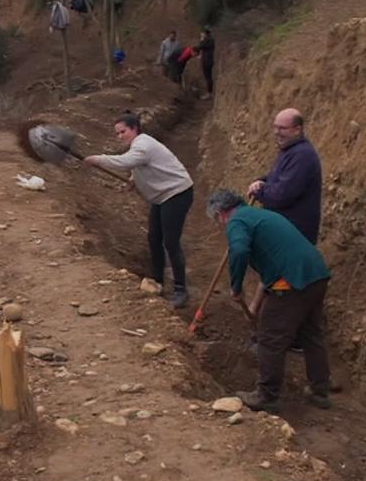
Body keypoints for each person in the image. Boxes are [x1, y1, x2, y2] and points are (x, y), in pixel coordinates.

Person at [206, 189, 332, 414]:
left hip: (292, 282)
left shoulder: (238, 221)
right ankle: (319, 389)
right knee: (311, 334)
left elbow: (239, 250)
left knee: (270, 337)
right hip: (316, 274)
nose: (221, 226)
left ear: (222, 214)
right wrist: (253, 304)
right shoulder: (261, 215)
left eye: (218, 221)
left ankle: (267, 396)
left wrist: (236, 286)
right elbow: (271, 264)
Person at [85, 113, 194, 308]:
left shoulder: (143, 144)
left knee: (170, 241)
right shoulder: (139, 146)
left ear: (135, 128)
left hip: (177, 193)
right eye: (117, 133)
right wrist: (136, 180)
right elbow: (140, 165)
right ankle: (158, 280)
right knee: (154, 238)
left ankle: (180, 290)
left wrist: (98, 159)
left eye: (123, 132)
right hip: (162, 196)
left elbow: (127, 162)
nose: (120, 136)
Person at [248, 108, 322, 245]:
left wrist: (258, 191)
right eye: (275, 127)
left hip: (295, 236)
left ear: (297, 129)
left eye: (282, 128)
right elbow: (277, 178)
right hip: (285, 231)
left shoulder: (302, 156)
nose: (277, 132)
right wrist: (261, 181)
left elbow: (280, 196)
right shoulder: (290, 151)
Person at [197, 28, 215, 97]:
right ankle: (209, 92)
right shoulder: (211, 40)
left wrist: (202, 39)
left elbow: (200, 47)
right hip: (209, 60)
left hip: (206, 61)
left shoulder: (207, 40)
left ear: (205, 33)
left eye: (202, 34)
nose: (201, 35)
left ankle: (209, 93)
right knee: (209, 77)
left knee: (208, 77)